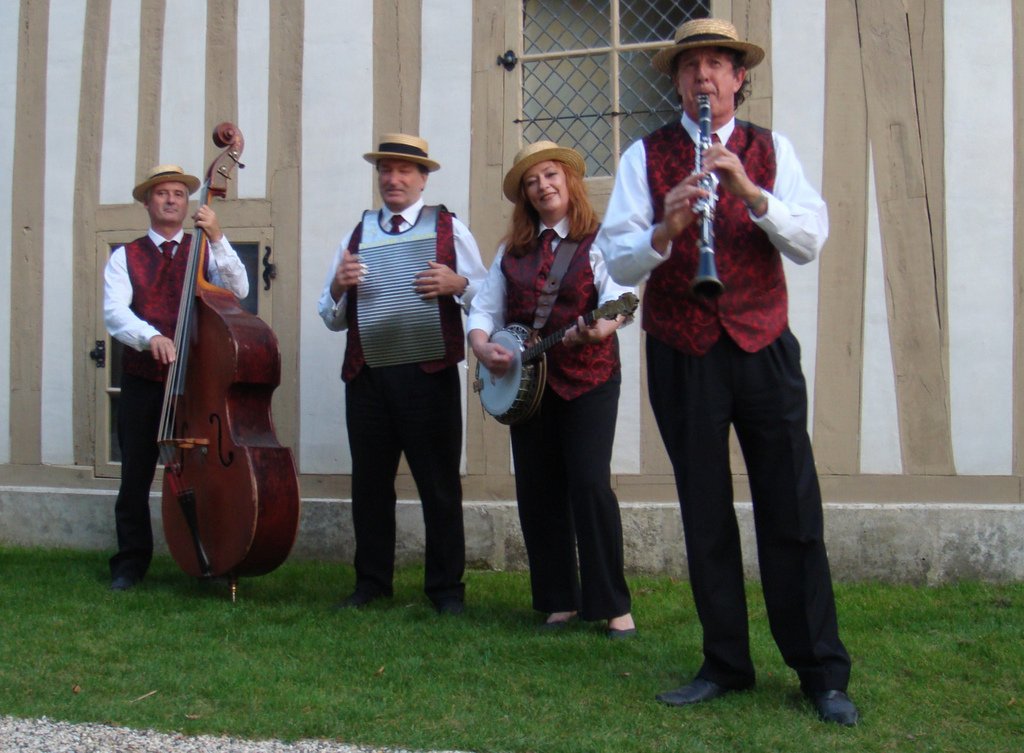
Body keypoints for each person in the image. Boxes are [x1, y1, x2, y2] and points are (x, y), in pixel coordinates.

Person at [596, 18, 858, 725]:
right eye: (691, 66)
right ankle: (726, 663)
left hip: (762, 342)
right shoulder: (645, 156)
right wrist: (666, 228)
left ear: (740, 78)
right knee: (704, 510)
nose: (703, 76)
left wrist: (751, 192)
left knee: (792, 507)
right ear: (677, 81)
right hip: (682, 349)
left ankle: (821, 671)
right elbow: (616, 257)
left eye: (717, 64)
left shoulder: (771, 150)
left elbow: (809, 238)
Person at [468, 141, 636, 637]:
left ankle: (612, 604)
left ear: (569, 180)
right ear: (525, 195)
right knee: (538, 490)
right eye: (532, 181)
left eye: (550, 175)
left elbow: (619, 297)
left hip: (590, 379)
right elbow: (484, 308)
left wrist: (603, 327)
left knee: (589, 485)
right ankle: (558, 600)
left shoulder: (599, 240)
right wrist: (482, 346)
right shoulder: (511, 251)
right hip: (530, 388)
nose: (543, 186)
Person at [318, 133, 487, 615]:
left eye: (404, 170)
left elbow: (488, 296)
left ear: (423, 178)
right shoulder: (358, 234)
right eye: (385, 170)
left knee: (439, 486)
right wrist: (338, 286)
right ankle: (372, 584)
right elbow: (330, 316)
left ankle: (446, 591)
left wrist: (457, 283)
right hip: (368, 375)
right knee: (369, 486)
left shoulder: (449, 228)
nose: (393, 179)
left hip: (428, 373)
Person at [104, 164, 250, 591]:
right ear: (147, 203)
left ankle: (210, 555)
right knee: (134, 476)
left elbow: (239, 289)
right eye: (162, 193)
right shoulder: (125, 256)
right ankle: (130, 563)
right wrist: (150, 337)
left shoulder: (203, 249)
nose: (171, 200)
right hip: (144, 381)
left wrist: (218, 237)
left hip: (198, 384)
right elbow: (115, 313)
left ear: (188, 204)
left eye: (179, 194)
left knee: (206, 474)